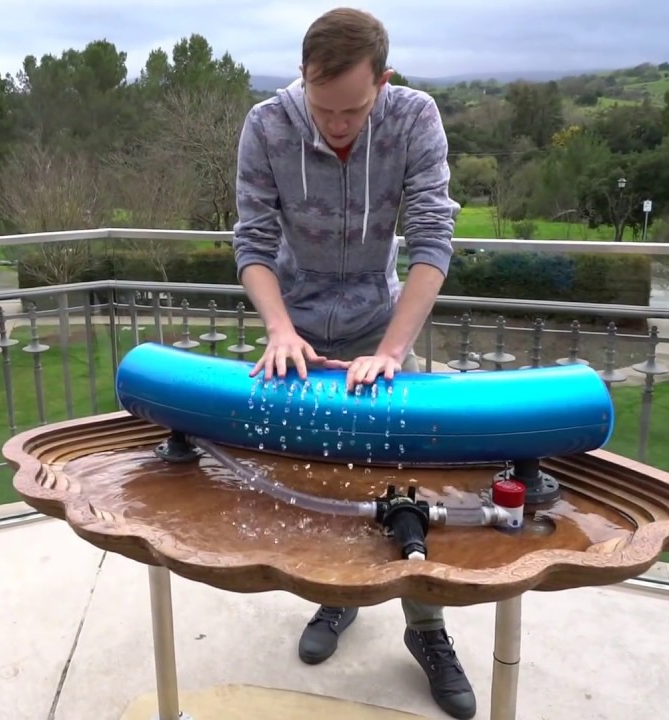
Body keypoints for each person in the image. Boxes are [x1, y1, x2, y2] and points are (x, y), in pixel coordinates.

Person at [230, 7, 474, 720]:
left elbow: (433, 241)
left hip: (381, 326)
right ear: (302, 78)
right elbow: (251, 242)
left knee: (408, 484)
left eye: (354, 110)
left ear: (385, 83)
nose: (337, 124)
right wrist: (278, 331)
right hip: (295, 340)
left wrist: (391, 350)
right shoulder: (266, 126)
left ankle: (426, 627)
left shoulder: (414, 119)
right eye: (322, 105)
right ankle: (335, 598)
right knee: (319, 485)